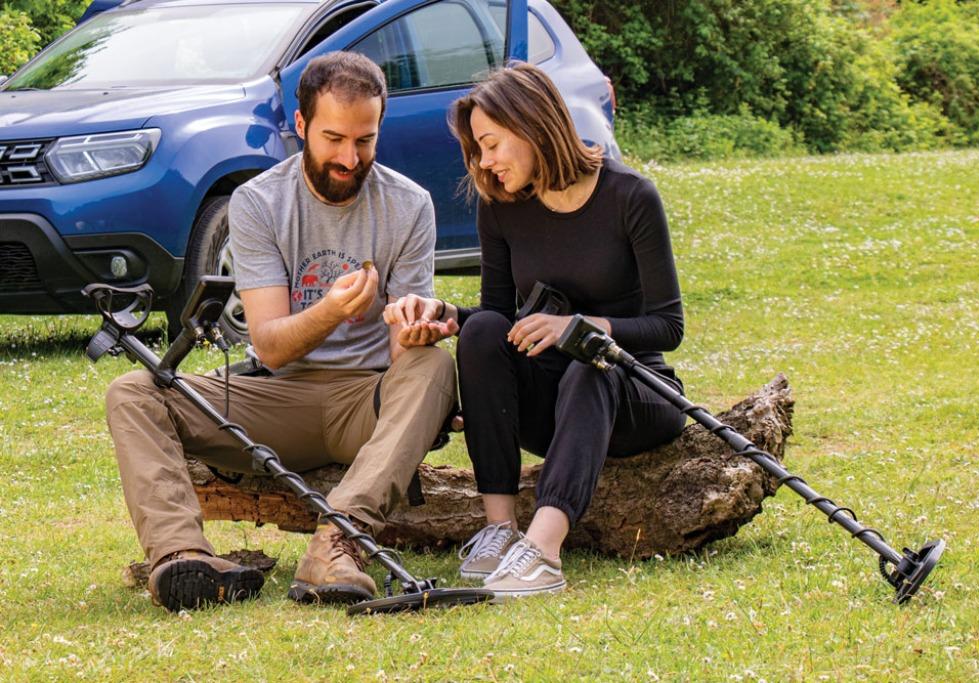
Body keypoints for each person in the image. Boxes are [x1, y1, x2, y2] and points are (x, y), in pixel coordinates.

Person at [104, 52, 456, 612]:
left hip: (365, 399)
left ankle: (338, 544)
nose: (349, 158)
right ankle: (180, 558)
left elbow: (402, 358)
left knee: (435, 365)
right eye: (334, 139)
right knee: (133, 391)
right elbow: (268, 343)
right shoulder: (257, 202)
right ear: (300, 126)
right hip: (276, 394)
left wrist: (413, 328)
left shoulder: (410, 205)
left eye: (365, 141)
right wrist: (333, 310)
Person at [384, 63, 687, 601]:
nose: (486, 162)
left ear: (532, 125)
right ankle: (500, 530)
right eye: (478, 149)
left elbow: (668, 327)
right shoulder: (501, 208)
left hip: (634, 395)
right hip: (550, 411)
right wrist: (446, 316)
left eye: (493, 144)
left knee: (590, 362)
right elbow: (498, 317)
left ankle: (543, 552)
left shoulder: (630, 196)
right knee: (482, 335)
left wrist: (579, 327)